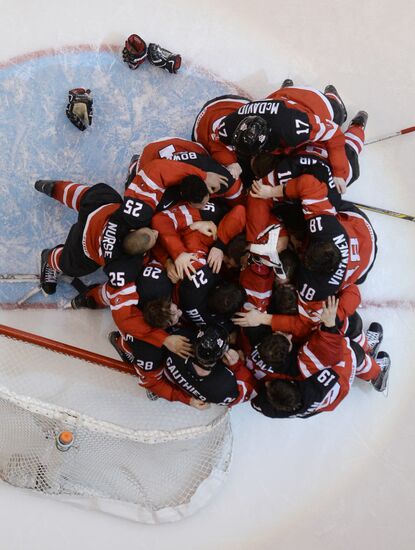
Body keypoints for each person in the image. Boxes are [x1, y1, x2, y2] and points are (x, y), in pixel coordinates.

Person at [250, 297, 391, 418]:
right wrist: (329, 324)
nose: (267, 383)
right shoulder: (308, 365)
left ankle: (366, 353)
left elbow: (257, 403)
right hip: (338, 382)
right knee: (350, 349)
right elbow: (332, 349)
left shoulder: (271, 406)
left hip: (318, 401)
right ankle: (377, 374)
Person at [34, 179, 158, 295]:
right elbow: (119, 278)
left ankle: (54, 188)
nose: (156, 232)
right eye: (154, 234)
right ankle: (48, 258)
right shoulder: (123, 264)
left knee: (94, 196)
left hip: (96, 212)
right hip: (82, 246)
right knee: (70, 265)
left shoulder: (134, 217)